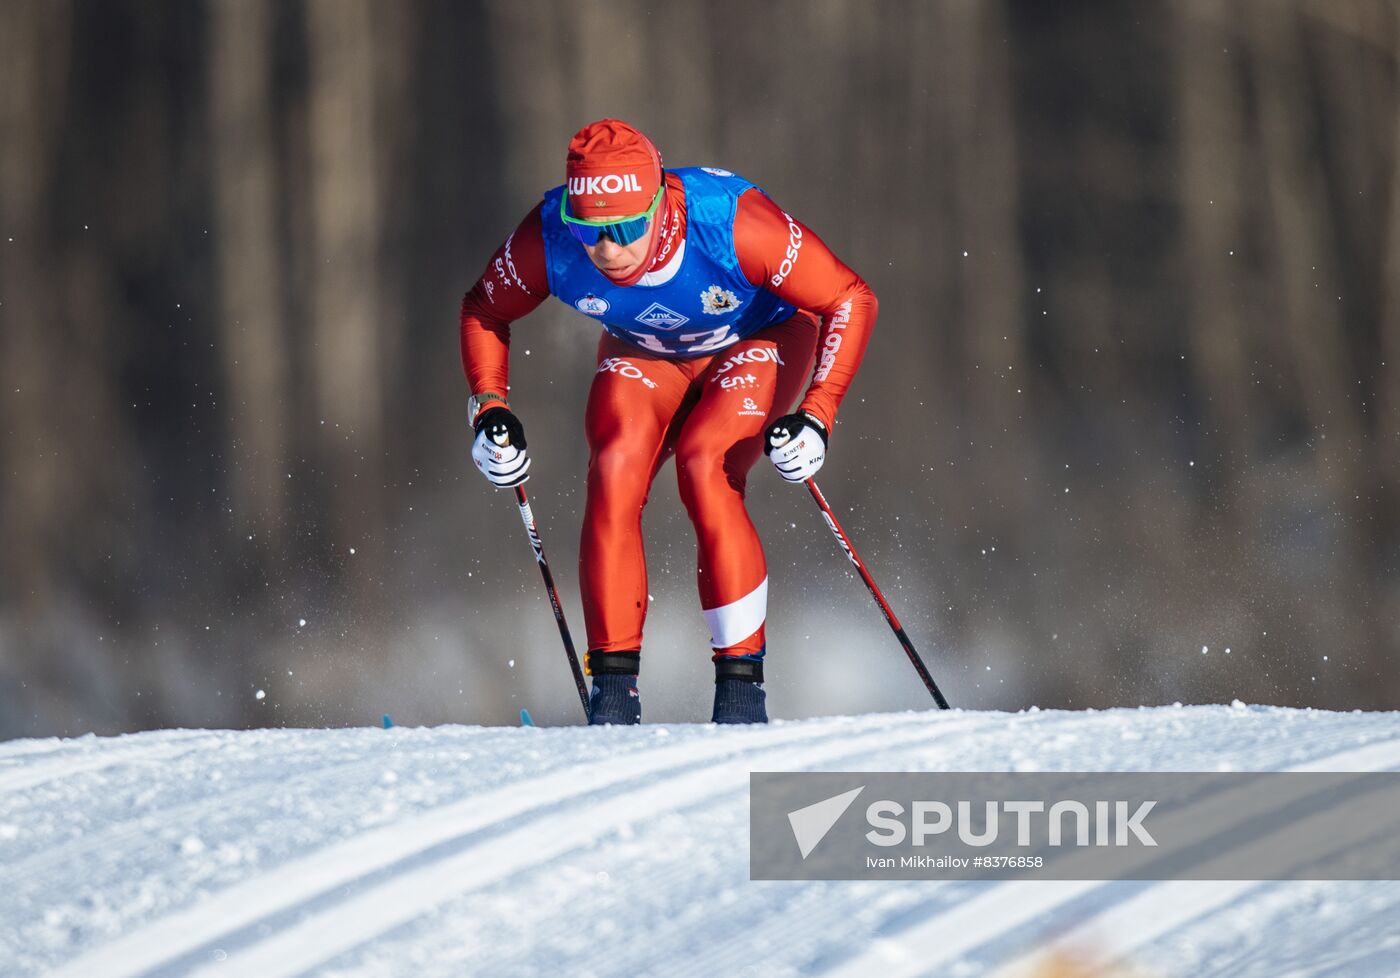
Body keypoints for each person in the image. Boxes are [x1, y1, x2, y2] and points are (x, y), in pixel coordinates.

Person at [460, 119, 876, 725]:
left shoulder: (731, 225)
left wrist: (818, 414)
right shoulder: (547, 236)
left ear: (659, 203)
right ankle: (613, 696)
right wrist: (489, 409)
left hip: (757, 338)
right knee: (614, 466)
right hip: (647, 350)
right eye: (589, 230)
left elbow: (849, 296)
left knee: (705, 466)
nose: (606, 249)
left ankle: (739, 696)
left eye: (626, 226)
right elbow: (483, 308)